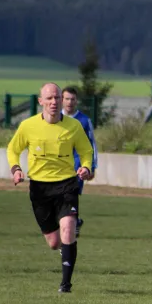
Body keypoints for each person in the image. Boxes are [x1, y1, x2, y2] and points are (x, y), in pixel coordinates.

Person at [7, 83, 94, 293]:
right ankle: (66, 243)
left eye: (57, 98)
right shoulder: (28, 126)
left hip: (67, 185)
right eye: (49, 99)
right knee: (54, 242)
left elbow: (86, 151)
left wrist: (85, 167)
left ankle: (66, 285)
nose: (54, 102)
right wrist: (16, 169)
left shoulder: (73, 126)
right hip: (39, 188)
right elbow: (13, 149)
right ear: (41, 102)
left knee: (67, 229)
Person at [62, 86, 98, 238]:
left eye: (72, 99)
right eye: (67, 99)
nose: (70, 102)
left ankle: (72, 225)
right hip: (59, 165)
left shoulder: (84, 120)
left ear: (76, 101)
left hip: (78, 166)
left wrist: (92, 167)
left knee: (71, 195)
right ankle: (74, 222)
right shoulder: (55, 118)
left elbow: (92, 145)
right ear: (62, 100)